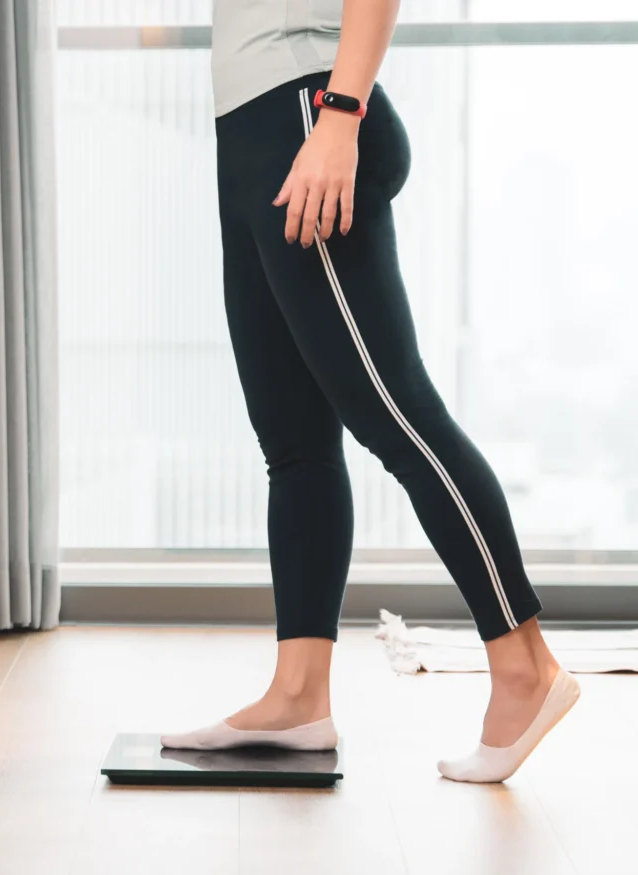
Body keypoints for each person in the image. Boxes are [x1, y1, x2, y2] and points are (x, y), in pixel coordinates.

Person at [161, 0, 578, 783]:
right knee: (294, 442)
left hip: (307, 114)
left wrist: (340, 115)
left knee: (399, 419)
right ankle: (298, 694)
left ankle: (525, 665)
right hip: (250, 132)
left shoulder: (323, 112)